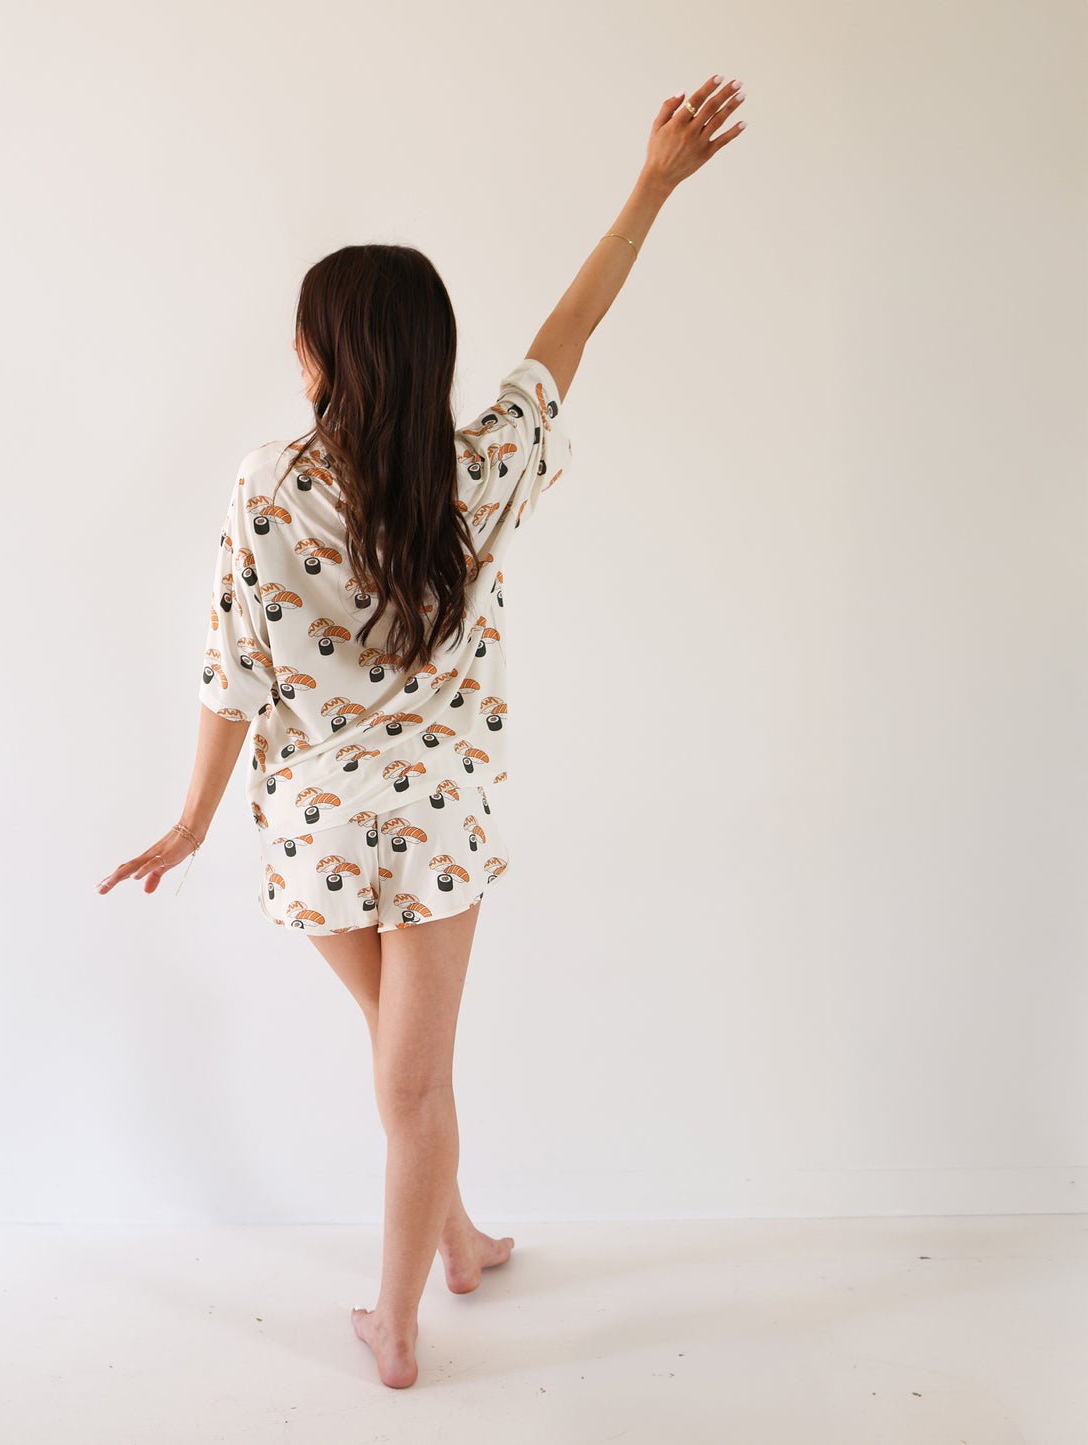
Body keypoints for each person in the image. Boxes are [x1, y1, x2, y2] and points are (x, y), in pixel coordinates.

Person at [98, 74, 747, 1389]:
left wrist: (191, 821)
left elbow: (229, 671)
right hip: (434, 828)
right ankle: (404, 1311)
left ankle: (458, 1241)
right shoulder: (477, 474)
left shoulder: (264, 486)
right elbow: (568, 328)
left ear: (319, 359)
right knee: (415, 1085)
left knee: (404, 1075)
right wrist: (652, 186)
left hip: (319, 837)